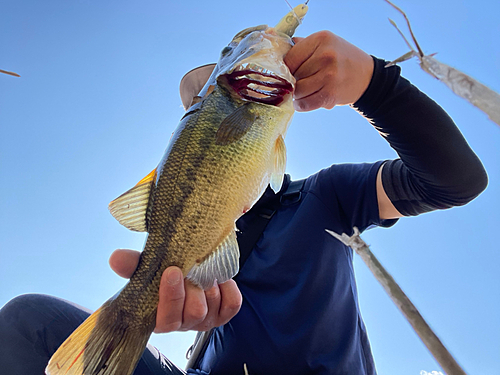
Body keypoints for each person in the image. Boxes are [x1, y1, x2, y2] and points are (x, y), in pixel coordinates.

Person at [0, 30, 487, 375]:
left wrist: (375, 85)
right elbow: (187, 297)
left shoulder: (326, 195)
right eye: (202, 103)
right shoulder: (183, 212)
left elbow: (453, 181)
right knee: (27, 321)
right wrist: (167, 302)